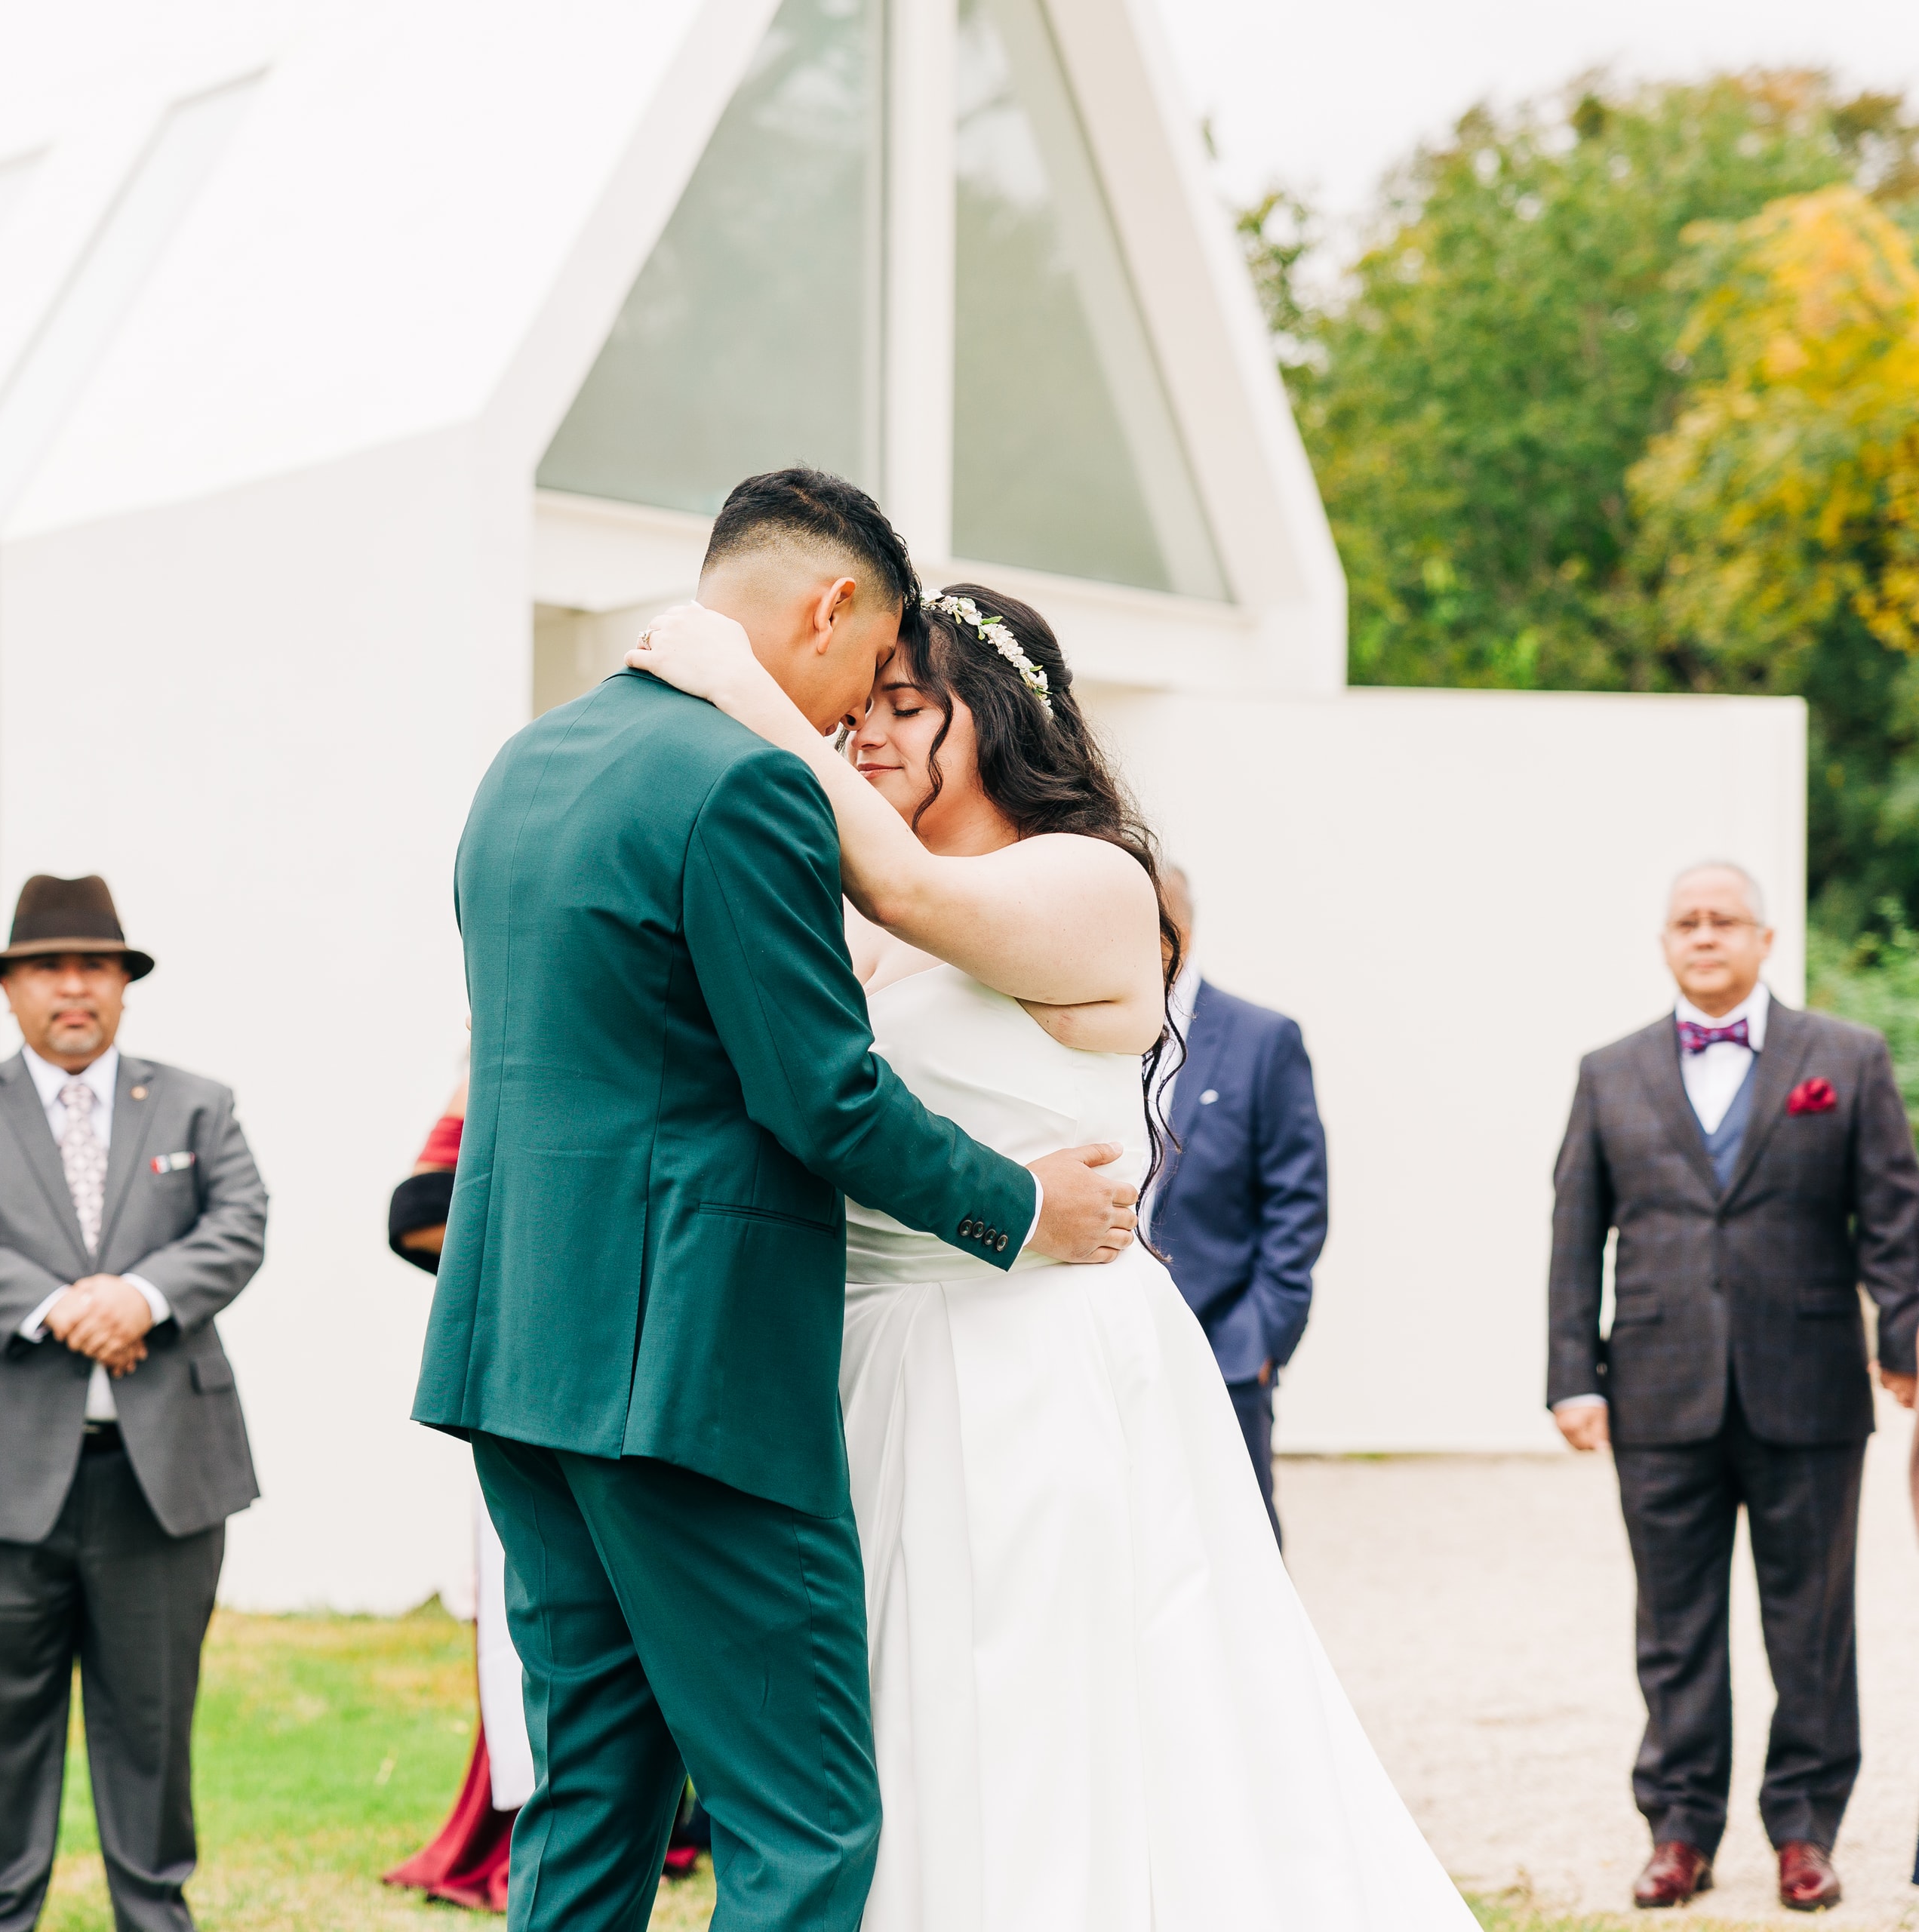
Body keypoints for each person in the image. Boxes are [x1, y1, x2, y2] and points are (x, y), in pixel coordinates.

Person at [632, 580, 1475, 1928]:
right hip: (865, 1363)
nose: (867, 737)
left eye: (907, 707)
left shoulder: (1091, 881)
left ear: (1002, 714)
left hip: (1028, 1368)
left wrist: (742, 689)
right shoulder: (857, 918)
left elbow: (907, 887)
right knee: (890, 1737)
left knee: (1036, 1732)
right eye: (858, 711)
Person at [415, 468, 1142, 1932]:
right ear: (828, 606)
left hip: (517, 1357)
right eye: (870, 668)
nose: (851, 718)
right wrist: (1019, 1206)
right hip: (688, 1374)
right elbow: (822, 1097)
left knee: (589, 1796)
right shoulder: (744, 782)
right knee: (804, 1824)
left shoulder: (528, 763)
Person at [0, 875, 268, 1932]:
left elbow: (238, 1224)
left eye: (95, 967)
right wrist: (64, 1308)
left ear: (124, 986)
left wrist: (141, 1297)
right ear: (10, 989)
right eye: (48, 968)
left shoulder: (198, 1103)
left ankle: (155, 1917)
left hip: (160, 1483)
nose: (73, 988)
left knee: (153, 1730)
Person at [1546, 862, 1919, 1913]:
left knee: (1812, 1621)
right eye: (1685, 922)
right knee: (1674, 1625)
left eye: (1724, 921)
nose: (1703, 935)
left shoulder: (1843, 1058)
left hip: (1808, 1390)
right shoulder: (1609, 1072)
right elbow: (1576, 1234)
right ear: (1666, 943)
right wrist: (1572, 1372)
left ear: (1763, 939)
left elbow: (1892, 1219)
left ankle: (1804, 1829)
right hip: (1659, 1388)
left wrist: (1908, 1340)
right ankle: (1679, 1828)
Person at [383, 1080, 709, 1912]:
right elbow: (415, 1209)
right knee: (567, 1665)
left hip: (663, 1380)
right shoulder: (504, 1070)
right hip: (544, 1383)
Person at [1146, 863, 1329, 1538]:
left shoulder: (1263, 1039)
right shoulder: (1075, 1027)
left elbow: (1297, 1203)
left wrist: (1258, 1338)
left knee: (1236, 1544)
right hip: (1104, 1343)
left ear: (1177, 934)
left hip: (1223, 1344)